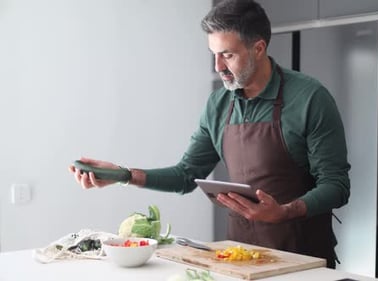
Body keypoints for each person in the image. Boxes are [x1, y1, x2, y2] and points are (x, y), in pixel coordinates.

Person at [69, 0, 350, 269]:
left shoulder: (309, 98)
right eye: (214, 55)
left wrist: (284, 211)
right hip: (240, 259)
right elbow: (186, 174)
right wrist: (123, 175)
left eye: (227, 55)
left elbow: (336, 185)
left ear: (259, 48)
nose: (218, 67)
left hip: (303, 261)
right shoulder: (219, 104)